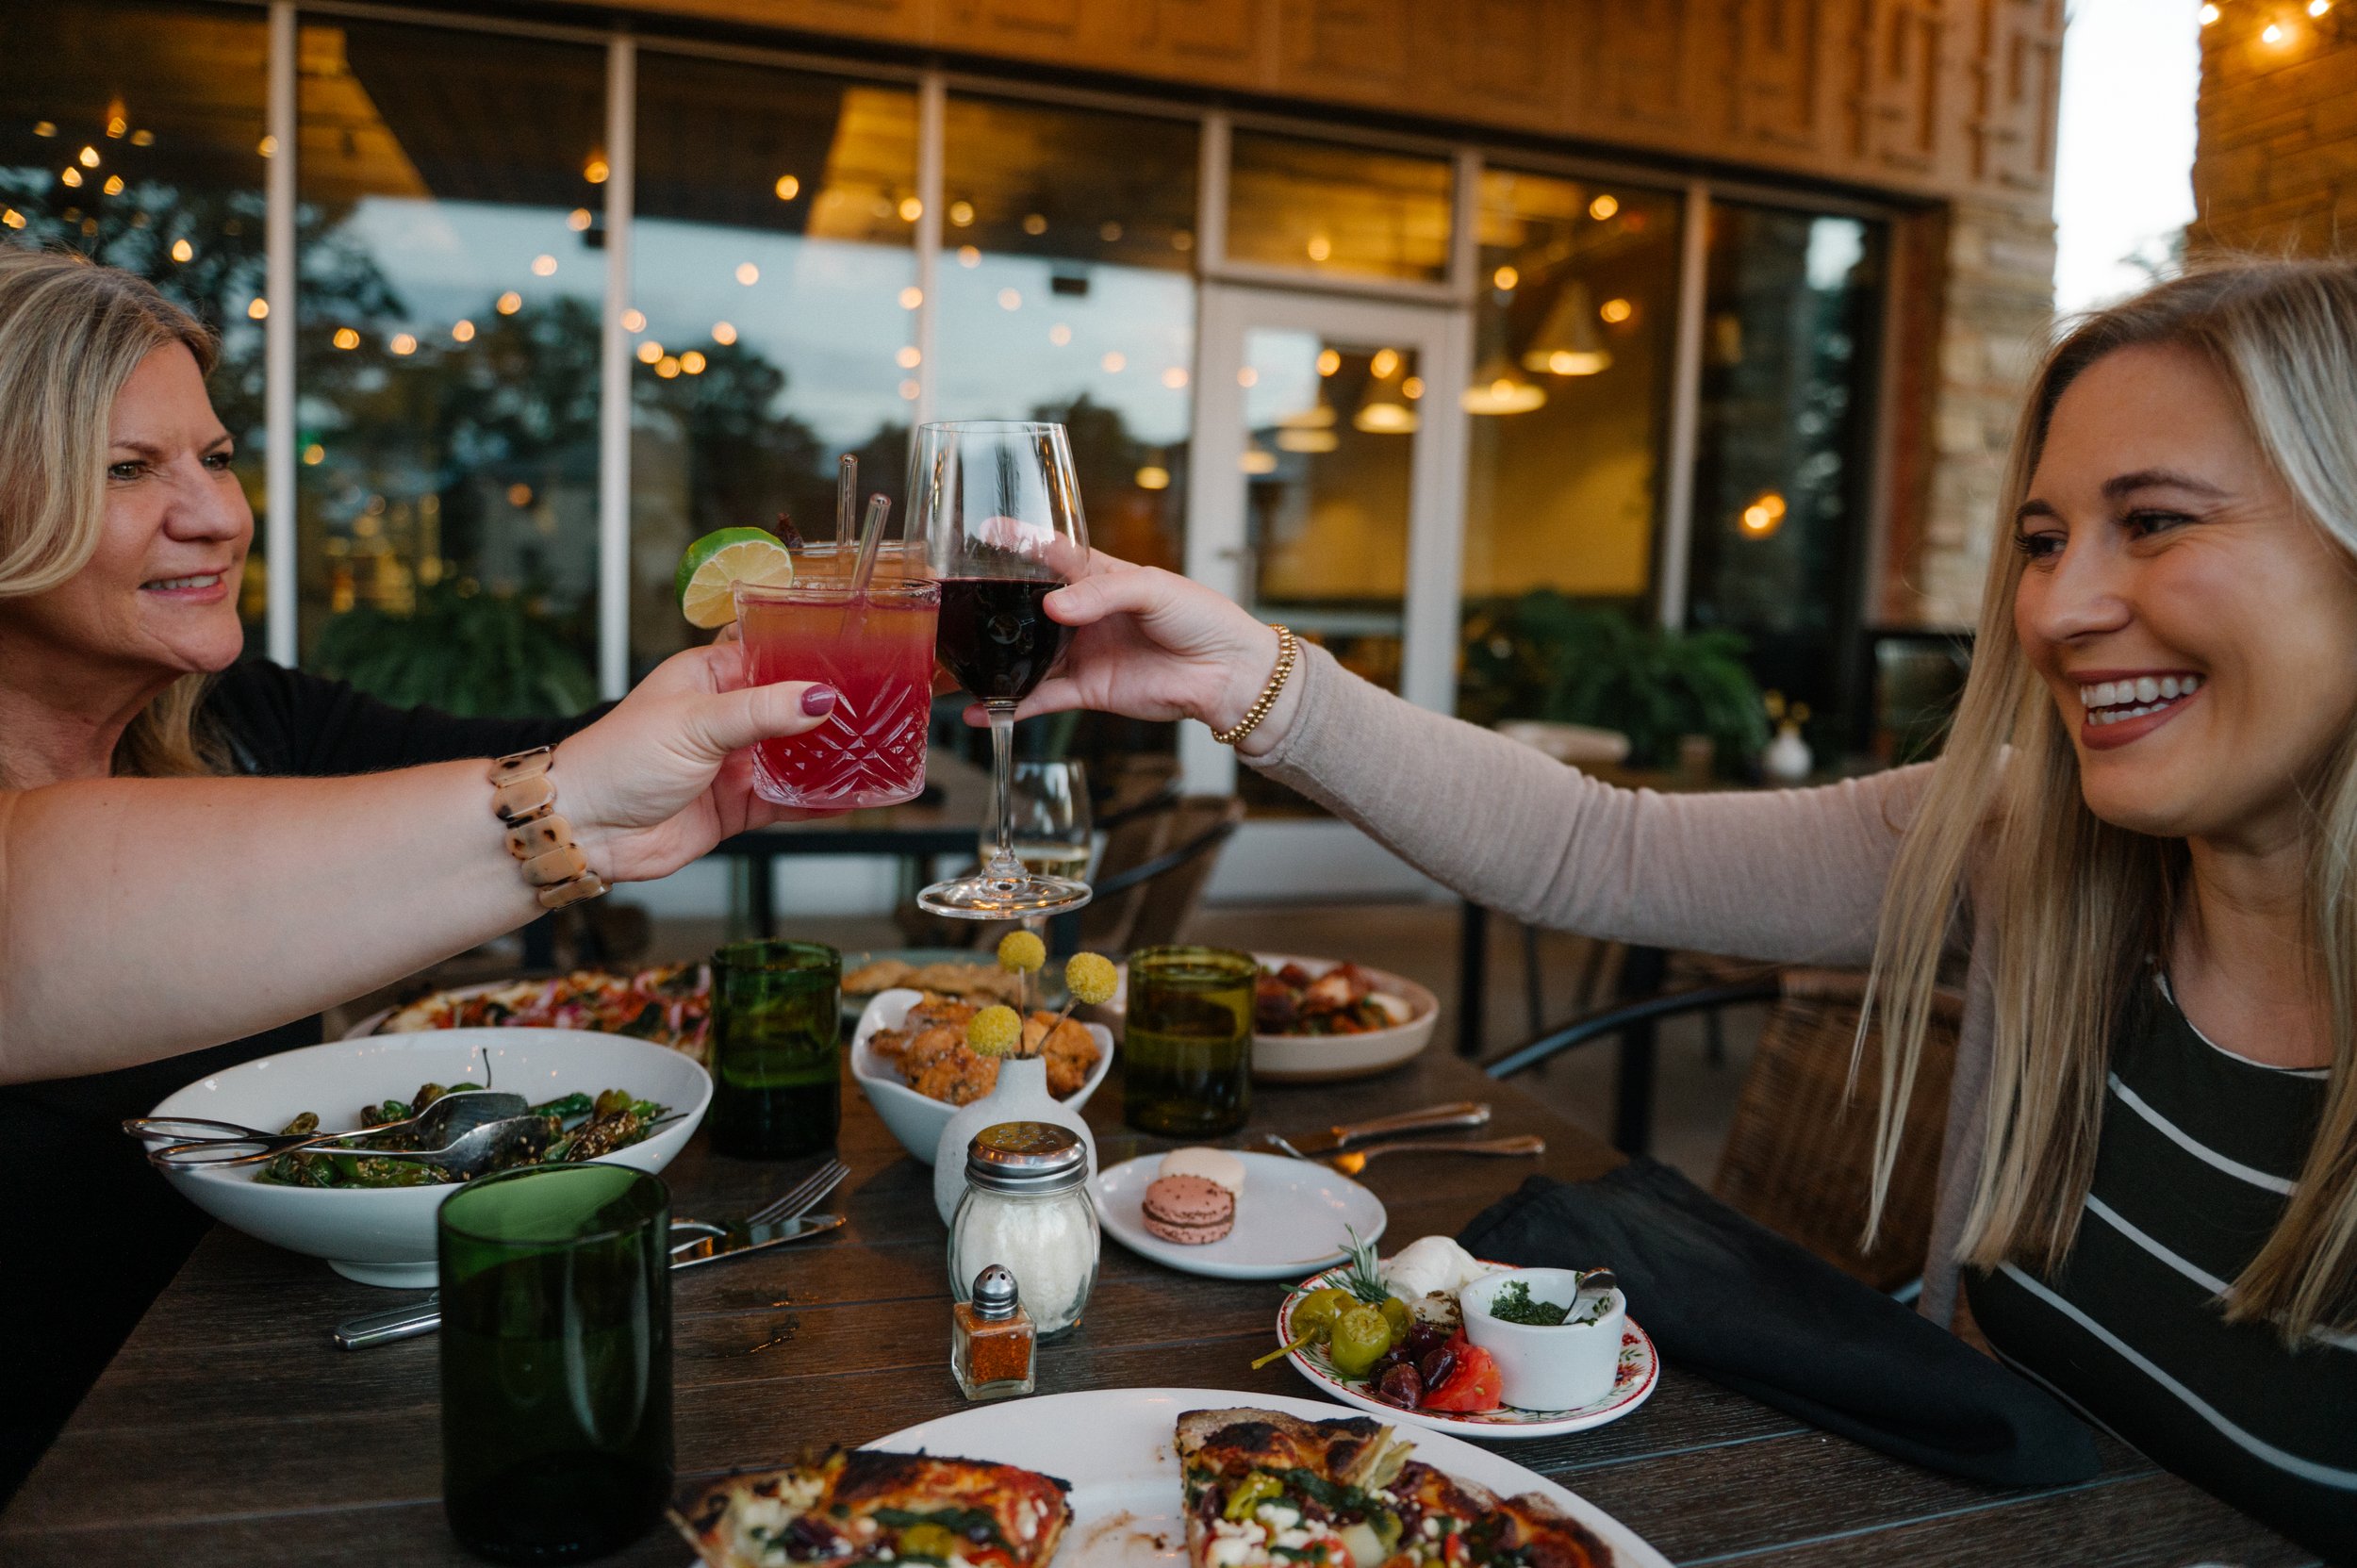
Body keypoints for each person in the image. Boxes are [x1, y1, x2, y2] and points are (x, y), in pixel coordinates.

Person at [1014, 259, 2357, 1560]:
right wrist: (1249, 675)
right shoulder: (2023, 849)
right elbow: (1597, 847)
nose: (2059, 609)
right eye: (2044, 541)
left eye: (2159, 521)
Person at [0, 249, 835, 1495]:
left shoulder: (245, 722)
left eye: (216, 457)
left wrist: (748, 691)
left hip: (304, 1411)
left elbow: (504, 768)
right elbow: (36, 920)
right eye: (128, 470)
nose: (219, 515)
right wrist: (579, 813)